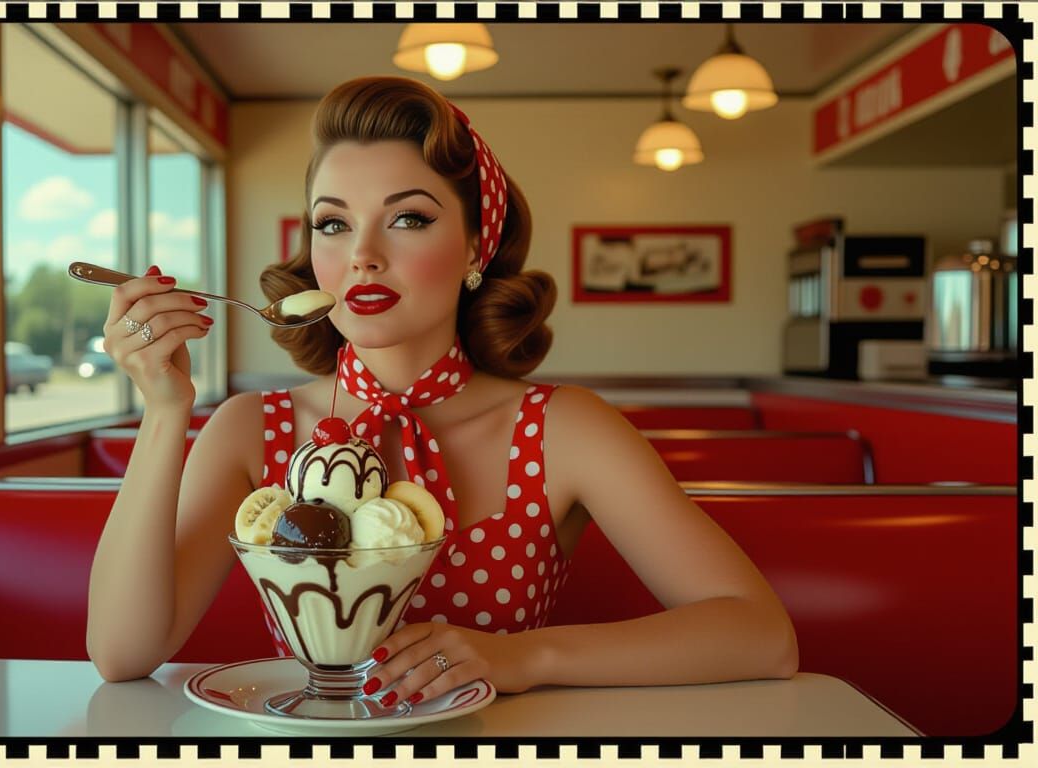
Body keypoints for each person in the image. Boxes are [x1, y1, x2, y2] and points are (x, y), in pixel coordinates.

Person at [86, 76, 798, 705]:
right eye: (333, 223)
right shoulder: (250, 428)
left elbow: (761, 635)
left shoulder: (564, 429)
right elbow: (121, 654)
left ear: (477, 247)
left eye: (409, 218)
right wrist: (165, 410)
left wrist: (522, 658)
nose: (362, 255)